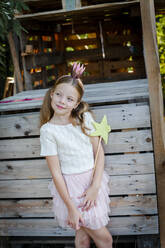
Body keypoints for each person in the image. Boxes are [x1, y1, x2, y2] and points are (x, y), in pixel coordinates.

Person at [39, 62, 113, 248]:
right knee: (105, 239)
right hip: (71, 191)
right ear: (51, 94)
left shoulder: (84, 119)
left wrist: (95, 186)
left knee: (83, 237)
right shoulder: (48, 131)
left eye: (69, 99)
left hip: (91, 183)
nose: (62, 101)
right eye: (59, 95)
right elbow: (56, 173)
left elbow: (99, 153)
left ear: (76, 104)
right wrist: (71, 208)